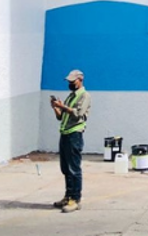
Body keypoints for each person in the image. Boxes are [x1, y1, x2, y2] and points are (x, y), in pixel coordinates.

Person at [50, 69, 90, 213]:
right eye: (69, 82)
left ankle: (75, 199)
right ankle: (68, 196)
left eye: (73, 81)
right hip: (65, 133)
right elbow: (61, 117)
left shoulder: (84, 96)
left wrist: (63, 107)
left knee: (74, 168)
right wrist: (56, 108)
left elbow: (77, 114)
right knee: (65, 168)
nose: (70, 84)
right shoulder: (71, 96)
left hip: (75, 135)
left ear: (80, 80)